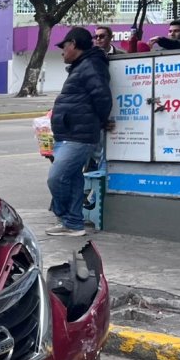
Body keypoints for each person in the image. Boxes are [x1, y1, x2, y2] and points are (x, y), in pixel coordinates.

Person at [46, 27, 112, 237]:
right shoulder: (81, 66)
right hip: (70, 133)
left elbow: (102, 96)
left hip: (79, 136)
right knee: (74, 179)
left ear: (73, 44)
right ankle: (74, 224)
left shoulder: (91, 65)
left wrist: (100, 121)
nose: (62, 52)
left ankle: (64, 216)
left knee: (57, 177)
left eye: (64, 46)